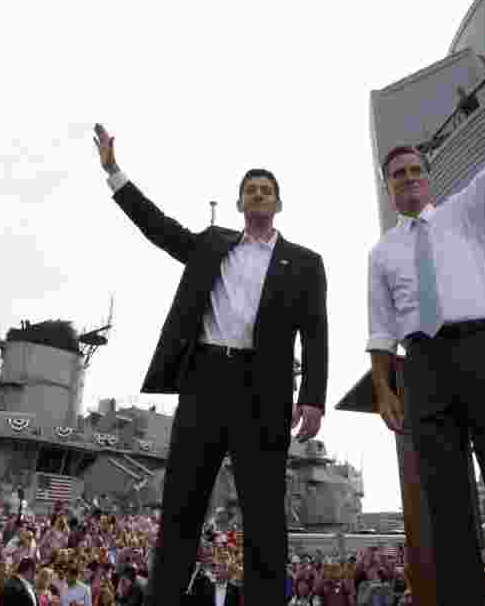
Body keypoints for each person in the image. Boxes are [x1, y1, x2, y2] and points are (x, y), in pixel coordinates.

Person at [93, 124, 329, 606]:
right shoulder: (211, 245)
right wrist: (114, 173)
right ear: (241, 203)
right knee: (182, 506)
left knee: (264, 514)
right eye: (250, 190)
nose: (258, 195)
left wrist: (313, 396)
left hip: (263, 392)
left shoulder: (305, 263)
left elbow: (317, 332)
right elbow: (158, 228)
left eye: (266, 191)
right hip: (204, 382)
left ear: (278, 205)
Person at [366, 22, 485, 605]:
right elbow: (379, 328)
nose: (410, 179)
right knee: (447, 507)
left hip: (484, 352)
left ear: (428, 177)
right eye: (398, 175)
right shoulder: (381, 252)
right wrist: (384, 387)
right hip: (423, 368)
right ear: (389, 188)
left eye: (417, 170)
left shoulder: (467, 213)